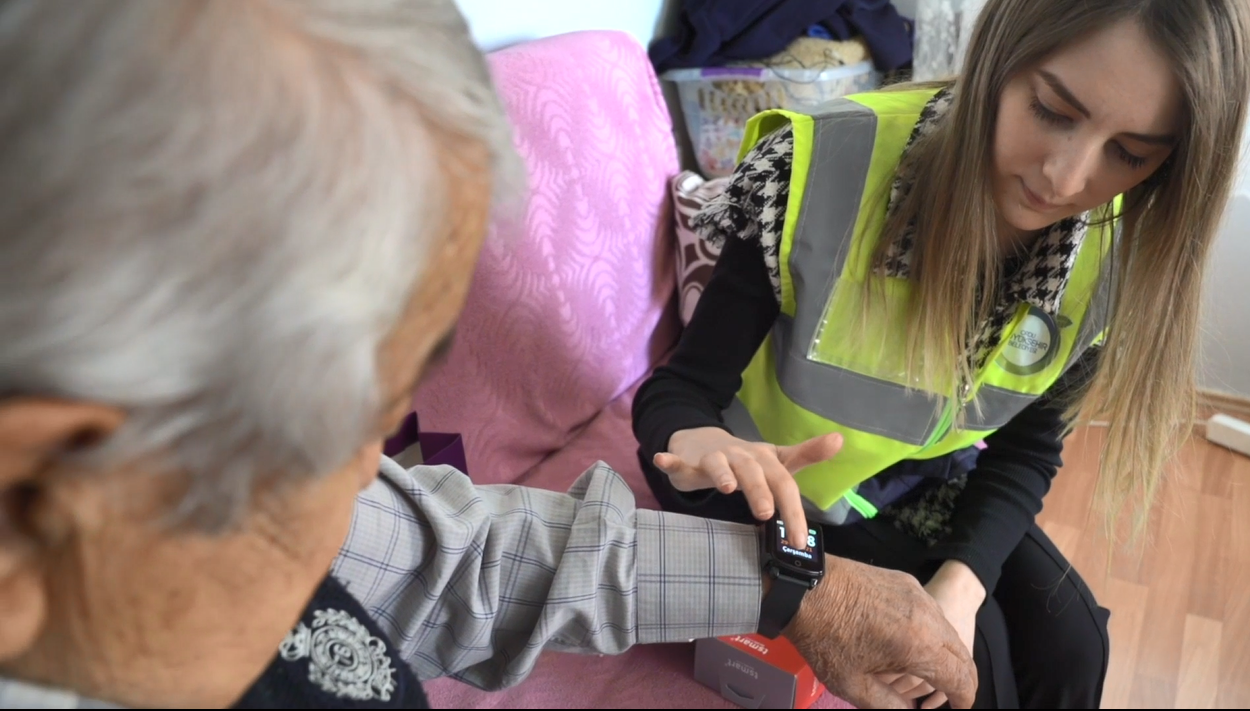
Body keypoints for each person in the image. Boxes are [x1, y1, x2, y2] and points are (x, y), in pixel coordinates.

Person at [0, 1, 980, 709]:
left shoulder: (174, 535)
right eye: (359, 426)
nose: (380, 472)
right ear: (39, 494)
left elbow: (433, 551)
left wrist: (788, 581)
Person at [632, 0, 1250, 708]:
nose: (1067, 177)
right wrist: (701, 438)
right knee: (969, 675)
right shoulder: (817, 172)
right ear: (997, 56)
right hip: (775, 501)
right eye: (1050, 108)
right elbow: (676, 391)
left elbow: (1025, 451)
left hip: (917, 485)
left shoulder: (1112, 256)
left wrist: (963, 580)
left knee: (1075, 641)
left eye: (1130, 153)